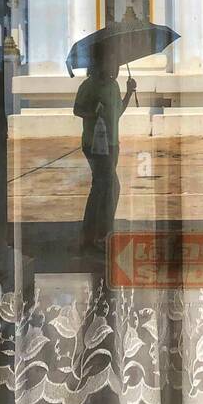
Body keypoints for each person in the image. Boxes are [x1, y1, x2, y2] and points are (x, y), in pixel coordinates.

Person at [73, 46, 137, 253]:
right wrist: (92, 111)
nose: (113, 65)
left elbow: (117, 113)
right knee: (107, 188)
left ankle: (93, 234)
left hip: (112, 144)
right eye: (109, 60)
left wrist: (129, 93)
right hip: (94, 145)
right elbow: (77, 109)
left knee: (105, 189)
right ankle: (99, 235)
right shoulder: (89, 86)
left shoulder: (113, 86)